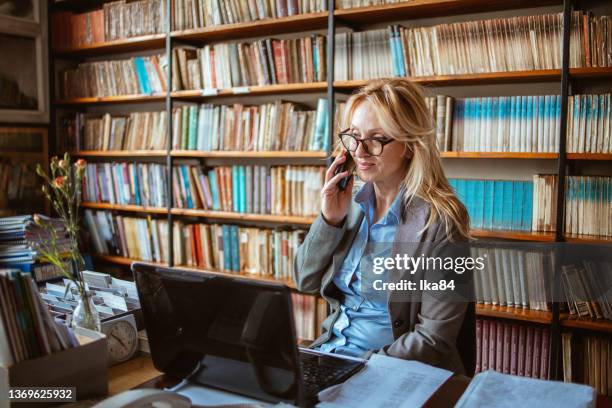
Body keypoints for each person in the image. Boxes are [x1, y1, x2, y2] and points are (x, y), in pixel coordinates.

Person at [293, 77, 474, 374]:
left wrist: (362, 367)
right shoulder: (348, 204)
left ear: (409, 145)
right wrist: (329, 220)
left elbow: (433, 339)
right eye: (353, 136)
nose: (360, 152)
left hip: (387, 370)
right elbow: (305, 281)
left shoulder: (441, 221)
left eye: (376, 139)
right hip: (329, 356)